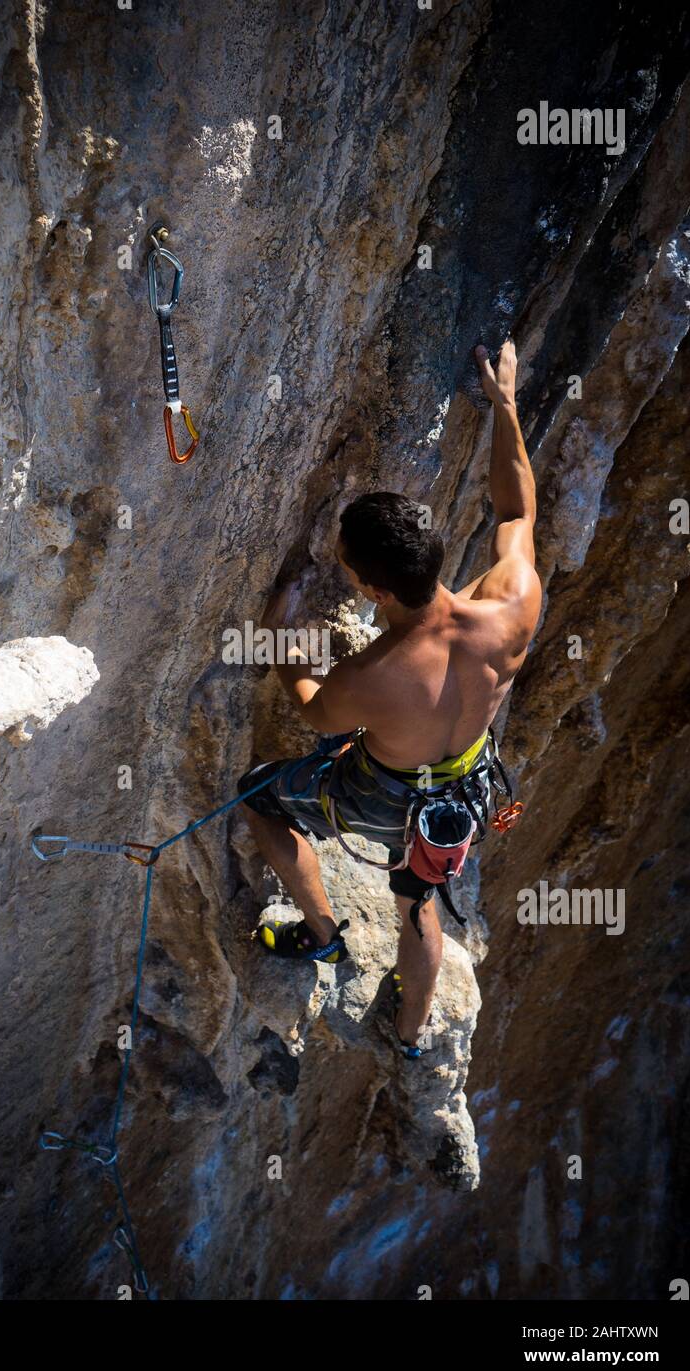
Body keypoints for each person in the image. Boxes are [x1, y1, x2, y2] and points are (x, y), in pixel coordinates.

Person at [239, 341, 542, 1057]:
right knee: (418, 911)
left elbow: (316, 712)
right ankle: (407, 1034)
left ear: (374, 591)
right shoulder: (513, 600)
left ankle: (319, 935)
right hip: (463, 791)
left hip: (383, 794)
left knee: (259, 795)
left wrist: (283, 642)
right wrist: (505, 406)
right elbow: (517, 508)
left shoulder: (372, 675)